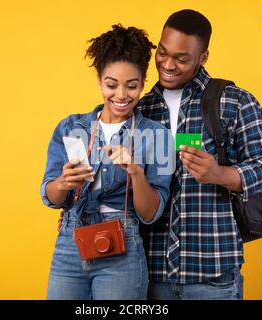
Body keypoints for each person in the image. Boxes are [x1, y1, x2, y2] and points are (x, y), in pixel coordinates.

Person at [138, 9, 262, 300]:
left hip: (212, 273)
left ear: (202, 58)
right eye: (162, 53)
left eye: (181, 58)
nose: (167, 64)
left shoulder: (233, 100)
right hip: (151, 273)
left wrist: (220, 174)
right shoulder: (141, 108)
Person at [40, 24, 174, 300]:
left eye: (132, 85)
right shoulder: (70, 127)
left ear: (143, 82)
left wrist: (136, 172)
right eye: (111, 85)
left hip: (122, 248)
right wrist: (63, 183)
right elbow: (50, 196)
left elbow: (150, 214)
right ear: (100, 80)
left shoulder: (156, 136)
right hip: (70, 242)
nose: (122, 95)